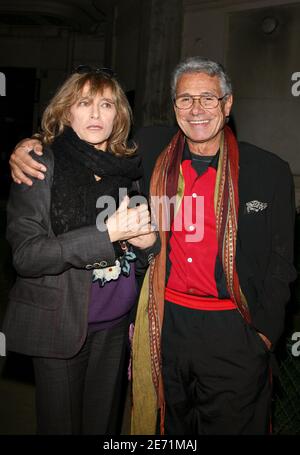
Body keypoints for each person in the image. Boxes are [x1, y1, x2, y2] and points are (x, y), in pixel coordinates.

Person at [8, 57, 297, 435]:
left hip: (234, 331)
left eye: (209, 98)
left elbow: (282, 263)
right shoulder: (148, 149)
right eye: (185, 99)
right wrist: (26, 145)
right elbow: (74, 144)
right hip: (165, 326)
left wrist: (265, 332)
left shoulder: (268, 170)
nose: (196, 109)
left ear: (228, 104)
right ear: (173, 106)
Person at [3, 65, 159, 435]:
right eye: (84, 103)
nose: (94, 114)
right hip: (62, 324)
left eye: (106, 105)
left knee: (102, 426)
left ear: (119, 115)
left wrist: (147, 246)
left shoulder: (128, 169)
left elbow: (136, 255)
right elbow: (26, 256)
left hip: (116, 323)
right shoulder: (40, 162)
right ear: (65, 111)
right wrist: (105, 235)